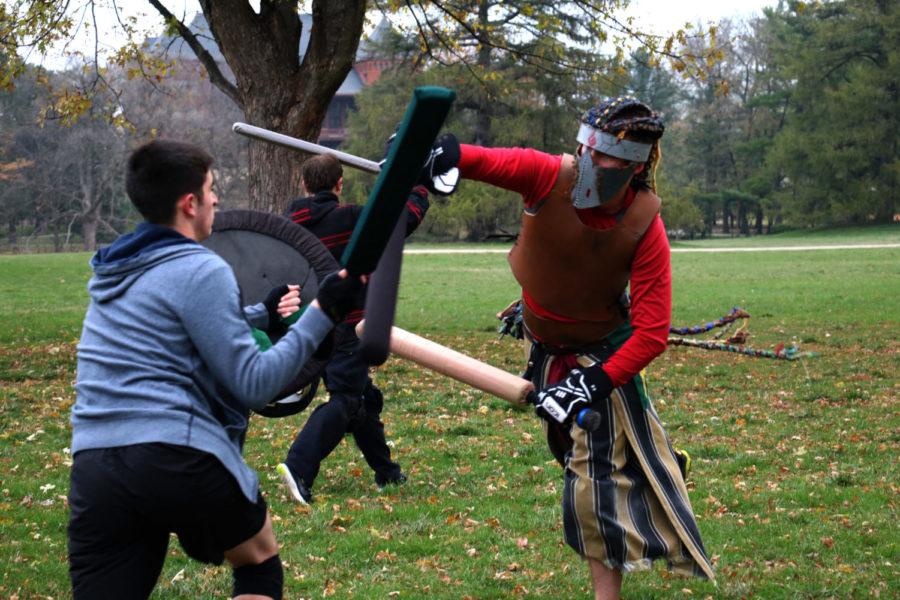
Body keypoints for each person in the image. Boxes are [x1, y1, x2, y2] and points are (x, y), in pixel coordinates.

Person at [423, 97, 715, 599]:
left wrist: (592, 382)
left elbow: (651, 330)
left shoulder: (645, 223)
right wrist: (445, 154)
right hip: (546, 349)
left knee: (593, 483)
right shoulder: (549, 176)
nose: (594, 163)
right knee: (573, 459)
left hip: (601, 358)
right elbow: (492, 161)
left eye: (611, 158)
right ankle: (647, 466)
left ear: (637, 164)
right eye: (590, 150)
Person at [67, 139, 365, 600]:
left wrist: (262, 313)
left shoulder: (114, 277)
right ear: (190, 204)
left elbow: (180, 323)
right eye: (211, 189)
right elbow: (256, 383)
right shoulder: (201, 267)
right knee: (258, 563)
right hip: (176, 455)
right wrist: (323, 309)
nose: (217, 199)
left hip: (95, 467)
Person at [277, 153, 429, 504]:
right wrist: (418, 184)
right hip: (347, 326)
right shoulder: (350, 219)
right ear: (339, 184)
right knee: (346, 399)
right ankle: (298, 467)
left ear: (304, 185)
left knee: (364, 400)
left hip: (309, 329)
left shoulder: (288, 226)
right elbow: (400, 221)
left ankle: (387, 474)